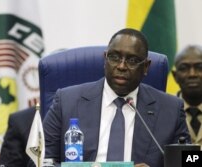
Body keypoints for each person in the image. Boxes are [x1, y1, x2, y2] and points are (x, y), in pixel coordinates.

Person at [42, 28, 191, 167]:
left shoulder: (171, 109)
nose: (121, 66)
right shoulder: (67, 101)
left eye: (132, 60)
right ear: (105, 59)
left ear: (146, 67)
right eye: (114, 57)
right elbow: (39, 160)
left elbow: (190, 161)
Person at [172, 45, 202, 146]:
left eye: (199, 67)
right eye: (184, 68)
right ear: (175, 76)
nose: (192, 74)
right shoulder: (163, 111)